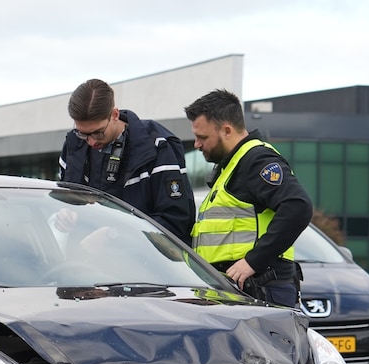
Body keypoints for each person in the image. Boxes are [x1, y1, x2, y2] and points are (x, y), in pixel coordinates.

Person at [184, 88, 313, 307]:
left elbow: (298, 207)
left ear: (226, 130)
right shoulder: (231, 167)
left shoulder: (256, 160)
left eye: (202, 137)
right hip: (238, 291)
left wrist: (253, 261)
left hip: (260, 289)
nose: (196, 144)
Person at [58, 79, 194, 243]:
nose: (91, 142)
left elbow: (175, 221)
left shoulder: (157, 146)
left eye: (98, 133)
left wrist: (113, 235)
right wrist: (65, 214)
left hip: (142, 257)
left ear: (114, 115)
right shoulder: (73, 146)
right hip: (81, 255)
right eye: (82, 133)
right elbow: (64, 202)